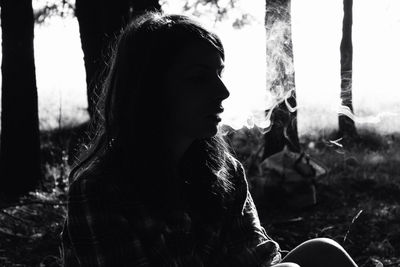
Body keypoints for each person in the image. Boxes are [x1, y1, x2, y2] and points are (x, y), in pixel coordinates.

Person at [61, 12, 358, 267]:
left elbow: (255, 257)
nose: (222, 92)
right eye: (199, 78)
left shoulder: (224, 172)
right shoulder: (99, 190)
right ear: (150, 90)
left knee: (324, 252)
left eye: (219, 73)